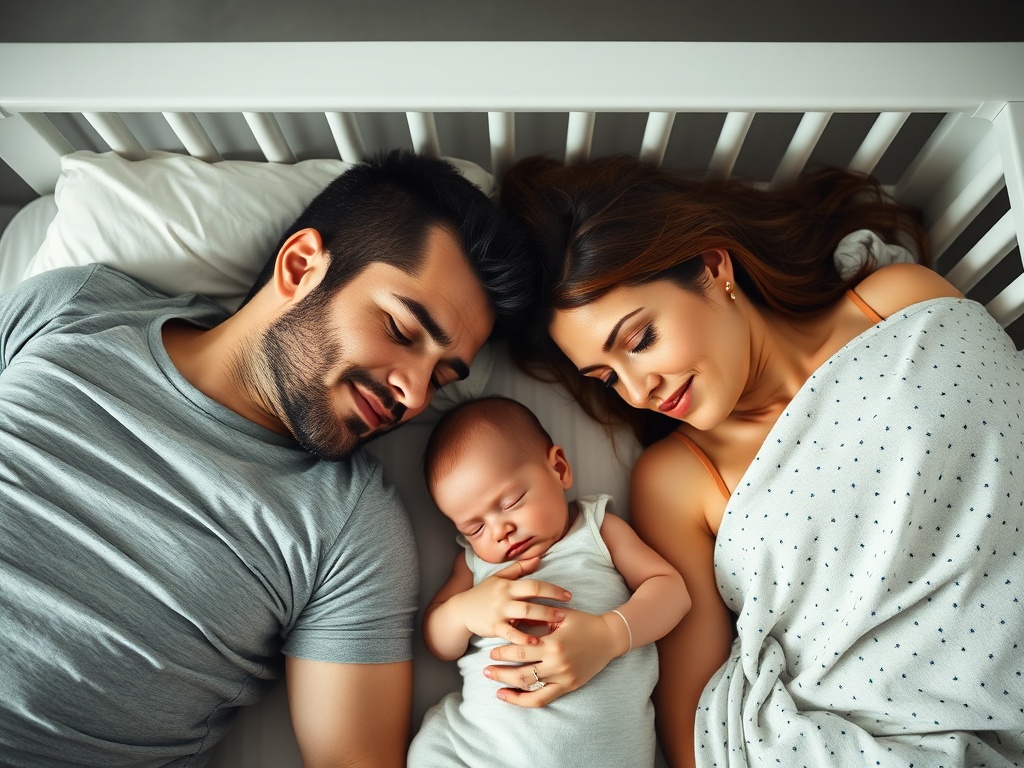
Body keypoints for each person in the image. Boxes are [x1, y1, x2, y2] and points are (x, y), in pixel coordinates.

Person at [0, 150, 537, 768]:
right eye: (399, 330)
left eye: (441, 377)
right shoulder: (75, 306)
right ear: (300, 266)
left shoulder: (351, 530)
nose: (414, 396)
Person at [499, 155, 1024, 768]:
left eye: (641, 340)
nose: (639, 390)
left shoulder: (898, 303)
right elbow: (693, 730)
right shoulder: (678, 478)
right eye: (608, 378)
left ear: (712, 267)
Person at [407, 395, 690, 767]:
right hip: (483, 748)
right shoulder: (475, 564)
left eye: (511, 502)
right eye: (474, 528)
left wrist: (610, 634)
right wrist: (463, 612)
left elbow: (672, 591)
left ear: (559, 469)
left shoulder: (597, 530)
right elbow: (438, 642)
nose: (500, 530)